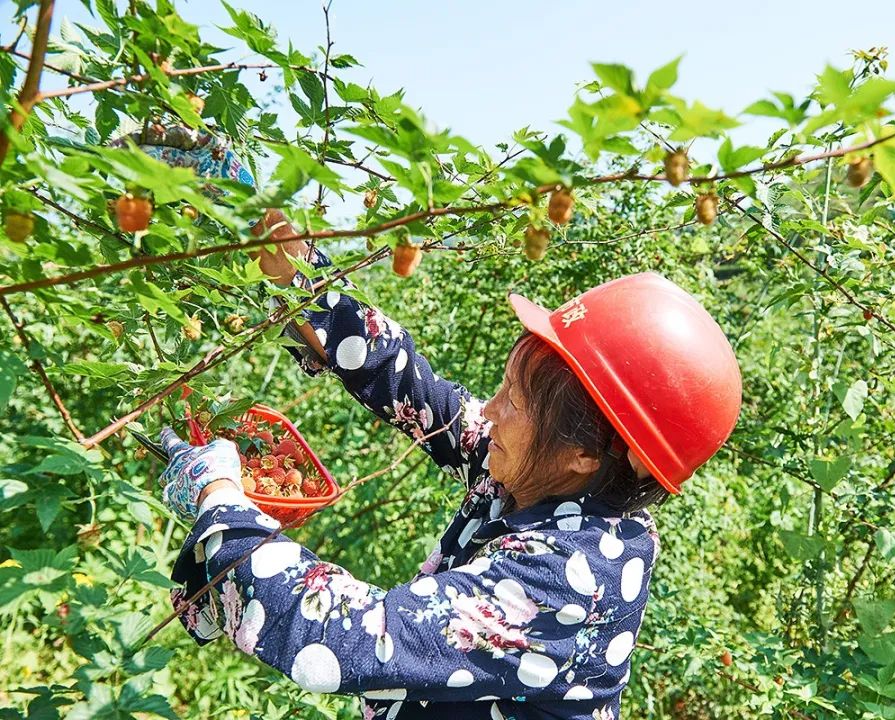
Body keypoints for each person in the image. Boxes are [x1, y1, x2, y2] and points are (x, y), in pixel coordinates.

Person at [138, 126, 742, 719]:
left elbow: (349, 636)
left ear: (585, 452)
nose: (489, 411)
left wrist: (222, 500)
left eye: (515, 402)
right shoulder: (545, 476)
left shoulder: (573, 576)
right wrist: (288, 263)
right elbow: (408, 386)